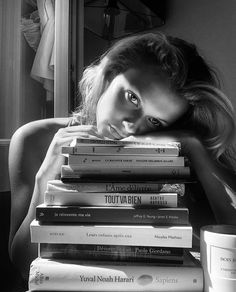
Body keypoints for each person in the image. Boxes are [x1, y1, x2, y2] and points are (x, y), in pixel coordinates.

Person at [8, 31, 236, 282]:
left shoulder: (175, 153)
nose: (131, 125)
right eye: (132, 98)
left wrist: (195, 146)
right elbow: (23, 265)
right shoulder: (36, 138)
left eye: (154, 120)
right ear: (109, 75)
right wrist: (45, 177)